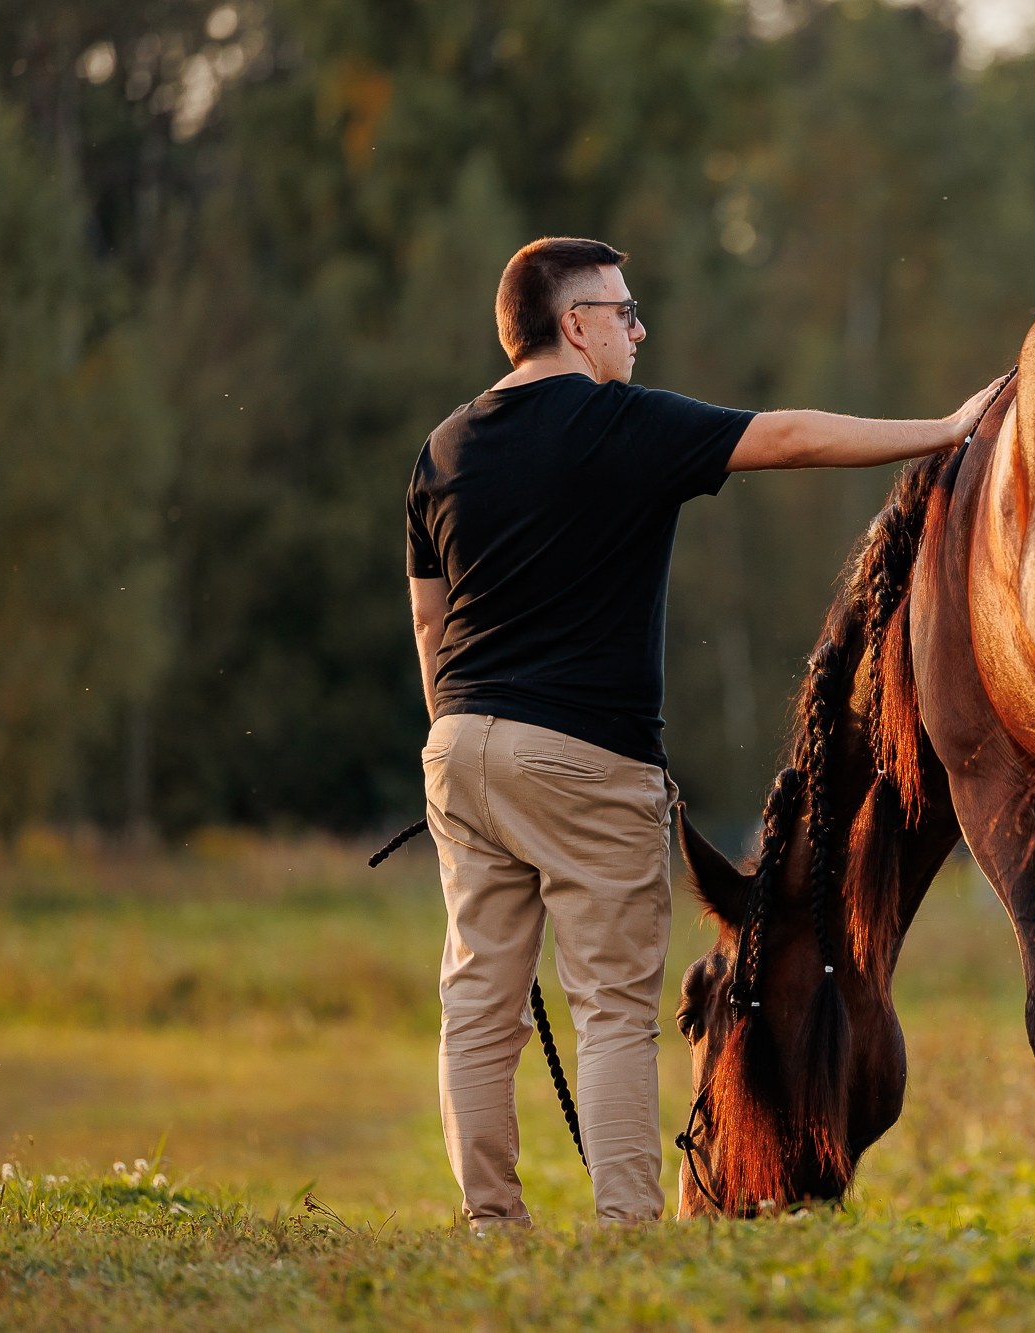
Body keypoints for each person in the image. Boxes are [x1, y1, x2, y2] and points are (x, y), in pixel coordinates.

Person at [406, 235, 1002, 1230]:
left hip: (458, 745)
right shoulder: (619, 424)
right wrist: (945, 429)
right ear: (575, 325)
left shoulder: (442, 447)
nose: (638, 331)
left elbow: (430, 618)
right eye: (624, 311)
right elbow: (792, 438)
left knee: (477, 1004)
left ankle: (491, 1228)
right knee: (610, 1004)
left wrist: (462, 736)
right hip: (585, 754)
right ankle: (628, 1229)